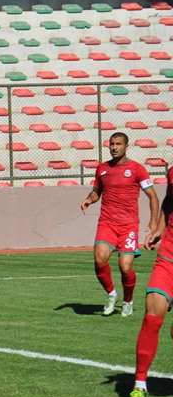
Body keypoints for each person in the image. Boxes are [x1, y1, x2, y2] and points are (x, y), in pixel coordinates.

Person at [80, 133, 160, 317]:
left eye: (118, 144)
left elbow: (153, 196)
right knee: (99, 258)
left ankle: (128, 301)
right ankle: (112, 295)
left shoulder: (137, 169)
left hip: (128, 226)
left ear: (126, 146)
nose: (114, 147)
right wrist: (88, 200)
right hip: (107, 223)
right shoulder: (102, 169)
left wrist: (154, 221)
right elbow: (96, 193)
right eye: (112, 144)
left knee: (125, 267)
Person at [126, 163, 172, 397]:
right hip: (170, 255)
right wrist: (159, 230)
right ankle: (139, 385)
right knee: (153, 313)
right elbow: (169, 201)